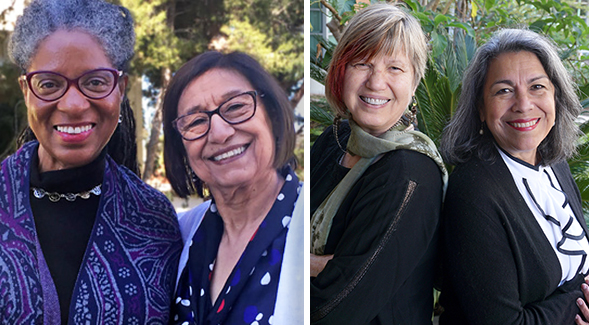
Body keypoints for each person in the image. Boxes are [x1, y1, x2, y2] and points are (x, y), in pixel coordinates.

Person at [2, 0, 182, 323]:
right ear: (26, 92)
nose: (73, 104)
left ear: (120, 89)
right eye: (49, 84)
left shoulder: (155, 222)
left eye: (95, 82)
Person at [439, 28, 589, 324]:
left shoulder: (552, 162)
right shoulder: (473, 192)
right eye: (504, 90)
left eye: (537, 87)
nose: (523, 104)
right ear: (481, 108)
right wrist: (578, 304)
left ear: (555, 96)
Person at [310, 3, 448, 324]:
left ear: (414, 82)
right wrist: (322, 264)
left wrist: (302, 263)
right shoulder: (335, 139)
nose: (375, 82)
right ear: (342, 71)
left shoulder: (410, 173)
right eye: (362, 63)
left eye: (394, 69)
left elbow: (336, 307)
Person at [162, 51, 303, 325]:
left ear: (271, 115)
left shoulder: (310, 224)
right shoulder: (182, 235)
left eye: (236, 107)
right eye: (195, 122)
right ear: (182, 147)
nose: (220, 132)